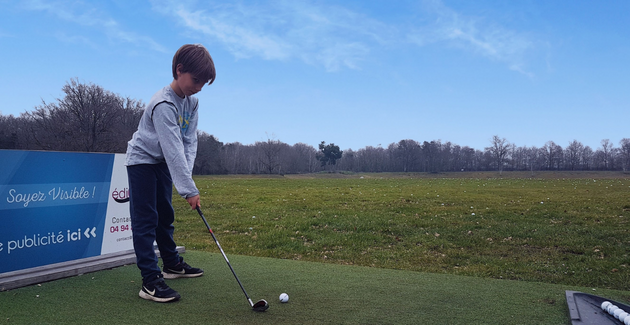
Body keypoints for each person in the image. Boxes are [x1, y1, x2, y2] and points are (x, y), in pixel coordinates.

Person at [125, 44, 216, 303]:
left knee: (165, 214)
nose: (198, 87)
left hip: (163, 162)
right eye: (196, 80)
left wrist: (186, 179)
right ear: (179, 70)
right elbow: (173, 147)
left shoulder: (192, 102)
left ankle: (172, 264)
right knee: (146, 220)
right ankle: (150, 281)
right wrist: (189, 190)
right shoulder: (163, 104)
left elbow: (189, 142)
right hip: (142, 161)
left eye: (203, 83)